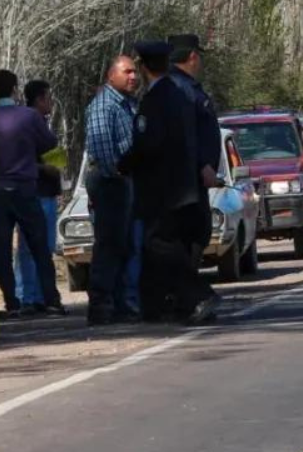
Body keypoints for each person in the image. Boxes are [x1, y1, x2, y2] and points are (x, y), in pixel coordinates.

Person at [118, 41, 217, 325]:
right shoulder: (182, 95)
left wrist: (125, 164)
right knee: (162, 248)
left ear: (144, 67)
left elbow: (149, 144)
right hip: (184, 185)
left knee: (160, 245)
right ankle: (160, 306)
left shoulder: (155, 99)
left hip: (161, 188)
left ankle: (197, 294)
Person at [0, 69, 65, 317]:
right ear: (15, 89)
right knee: (39, 246)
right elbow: (51, 145)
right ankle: (50, 298)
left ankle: (12, 302)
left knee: (2, 248)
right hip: (25, 188)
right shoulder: (29, 117)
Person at [84, 55, 141, 326]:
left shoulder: (127, 104)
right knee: (109, 244)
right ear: (111, 76)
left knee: (124, 244)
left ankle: (123, 304)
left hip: (122, 180)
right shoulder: (104, 106)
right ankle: (100, 305)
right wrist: (116, 172)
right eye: (127, 72)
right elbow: (101, 146)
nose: (133, 76)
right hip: (109, 181)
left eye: (134, 72)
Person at [168, 34, 224, 274]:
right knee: (192, 234)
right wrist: (203, 164)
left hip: (192, 179)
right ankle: (184, 297)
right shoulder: (180, 89)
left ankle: (186, 294)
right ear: (192, 56)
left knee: (197, 234)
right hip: (187, 180)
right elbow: (185, 134)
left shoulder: (182, 86)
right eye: (198, 55)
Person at [14, 80, 63, 312]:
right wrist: (48, 168)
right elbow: (37, 159)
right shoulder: (31, 123)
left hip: (42, 191)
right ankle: (30, 295)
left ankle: (34, 295)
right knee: (34, 246)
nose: (51, 102)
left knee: (38, 245)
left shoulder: (38, 123)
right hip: (39, 192)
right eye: (48, 97)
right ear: (40, 99)